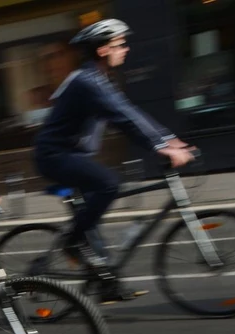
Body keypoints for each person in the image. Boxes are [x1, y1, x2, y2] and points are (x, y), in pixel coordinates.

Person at [34, 18, 195, 303]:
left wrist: (169, 139)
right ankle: (71, 242)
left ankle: (105, 282)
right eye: (120, 45)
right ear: (102, 50)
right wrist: (161, 147)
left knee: (92, 225)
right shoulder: (86, 82)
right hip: (55, 156)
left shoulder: (99, 79)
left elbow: (130, 112)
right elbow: (122, 119)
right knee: (109, 184)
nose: (126, 49)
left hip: (73, 155)